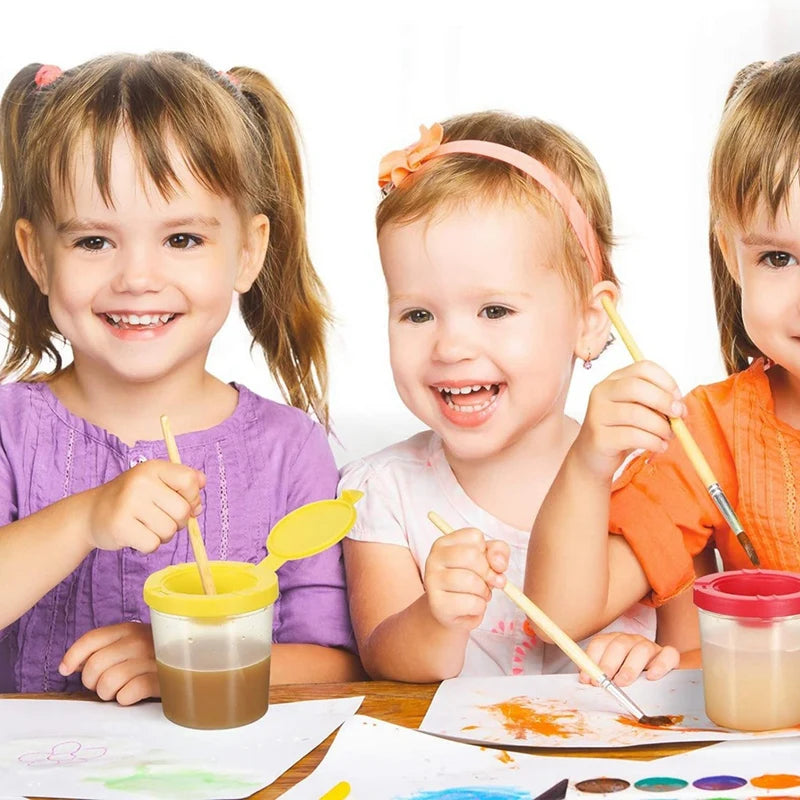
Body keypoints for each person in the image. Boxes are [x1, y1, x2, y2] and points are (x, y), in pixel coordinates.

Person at [0, 52, 361, 703]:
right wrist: (85, 520)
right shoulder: (8, 431)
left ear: (247, 252)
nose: (138, 277)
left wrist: (190, 661)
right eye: (93, 242)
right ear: (37, 255)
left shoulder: (288, 451)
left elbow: (335, 662)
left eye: (183, 240)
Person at [340, 114, 688, 684]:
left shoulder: (648, 473)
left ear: (591, 320)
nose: (451, 346)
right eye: (417, 313)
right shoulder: (384, 491)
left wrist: (653, 660)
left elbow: (691, 655)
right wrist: (435, 619)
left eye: (495, 311)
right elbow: (383, 663)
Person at [526, 55, 800, 646]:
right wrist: (588, 465)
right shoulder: (711, 434)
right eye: (778, 258)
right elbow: (560, 618)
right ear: (732, 257)